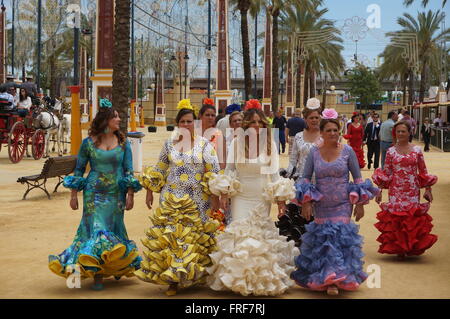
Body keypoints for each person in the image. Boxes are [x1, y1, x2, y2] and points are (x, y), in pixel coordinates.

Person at [48, 99, 143, 290]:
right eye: (115, 116)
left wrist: (130, 194)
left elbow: (128, 171)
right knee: (94, 230)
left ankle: (113, 266)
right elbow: (79, 170)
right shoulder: (88, 144)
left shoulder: (124, 143)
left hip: (116, 194)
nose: (118, 119)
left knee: (114, 228)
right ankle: (97, 274)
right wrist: (74, 195)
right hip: (93, 193)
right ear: (106, 120)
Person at [206, 102, 297, 296]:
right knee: (240, 234)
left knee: (258, 236)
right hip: (240, 196)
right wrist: (224, 193)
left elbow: (273, 176)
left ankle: (257, 282)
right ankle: (239, 281)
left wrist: (281, 202)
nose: (256, 126)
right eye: (253, 122)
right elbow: (230, 170)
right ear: (246, 125)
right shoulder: (237, 143)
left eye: (260, 122)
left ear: (265, 125)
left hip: (260, 196)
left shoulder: (270, 145)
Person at [135, 104, 222, 296]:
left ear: (195, 123)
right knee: (173, 238)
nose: (185, 124)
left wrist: (216, 198)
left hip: (198, 200)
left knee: (194, 238)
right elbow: (159, 168)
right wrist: (150, 190)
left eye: (189, 121)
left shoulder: (205, 145)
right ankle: (173, 280)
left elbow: (214, 173)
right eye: (182, 121)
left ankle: (195, 276)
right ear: (177, 124)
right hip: (171, 198)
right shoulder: (169, 144)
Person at [290, 109, 379, 295]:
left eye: (335, 130)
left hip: (343, 204)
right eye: (328, 130)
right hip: (321, 205)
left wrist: (360, 204)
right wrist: (306, 202)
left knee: (338, 238)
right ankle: (328, 278)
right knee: (325, 240)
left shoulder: (347, 151)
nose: (332, 133)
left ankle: (335, 281)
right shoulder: (314, 152)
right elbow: (305, 178)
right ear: (321, 133)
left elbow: (358, 178)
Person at [372, 121, 438, 258]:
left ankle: (410, 246)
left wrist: (428, 189)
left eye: (403, 131)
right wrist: (379, 191)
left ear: (409, 132)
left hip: (413, 190)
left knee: (410, 217)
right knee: (397, 216)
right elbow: (387, 173)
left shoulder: (417, 150)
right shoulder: (390, 151)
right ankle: (399, 248)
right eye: (398, 132)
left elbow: (423, 171)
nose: (400, 134)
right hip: (396, 190)